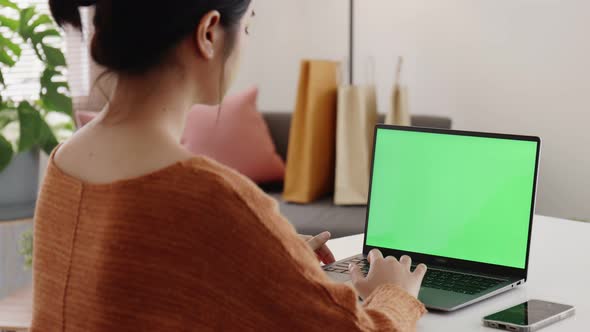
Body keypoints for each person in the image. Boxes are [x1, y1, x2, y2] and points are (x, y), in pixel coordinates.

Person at [33, 0, 428, 330]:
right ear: (209, 32)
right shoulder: (210, 195)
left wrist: (273, 264)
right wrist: (395, 293)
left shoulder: (64, 163)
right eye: (249, 27)